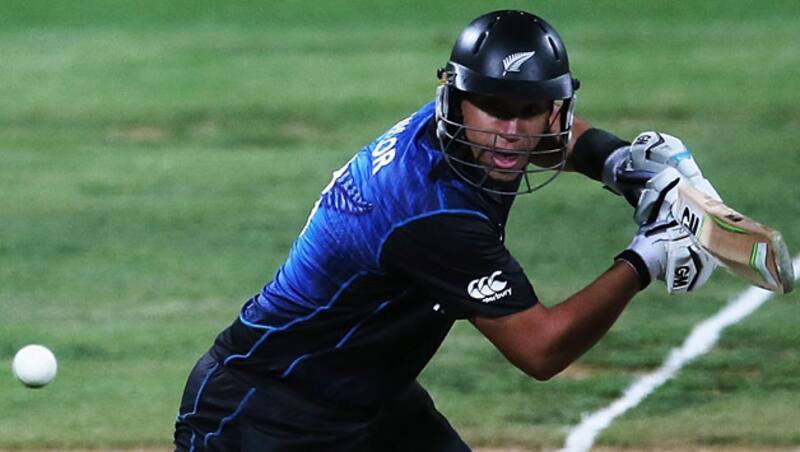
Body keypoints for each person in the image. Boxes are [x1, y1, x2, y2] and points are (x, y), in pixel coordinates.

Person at [174, 9, 718, 451]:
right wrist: (645, 257)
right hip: (266, 416)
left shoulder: (465, 131)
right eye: (495, 108)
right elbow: (542, 350)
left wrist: (619, 161)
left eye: (529, 111)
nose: (510, 132)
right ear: (457, 98)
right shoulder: (432, 214)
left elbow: (557, 128)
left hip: (369, 396)